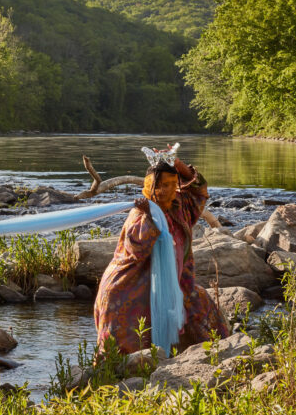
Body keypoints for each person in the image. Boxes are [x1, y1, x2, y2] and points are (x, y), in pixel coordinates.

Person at [94, 149, 228, 355]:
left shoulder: (181, 206)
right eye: (158, 185)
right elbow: (136, 250)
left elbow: (199, 189)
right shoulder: (139, 212)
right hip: (132, 282)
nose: (164, 190)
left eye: (169, 185)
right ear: (149, 187)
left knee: (201, 309)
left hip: (177, 282)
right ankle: (122, 371)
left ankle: (217, 355)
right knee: (124, 325)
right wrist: (149, 216)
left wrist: (176, 163)